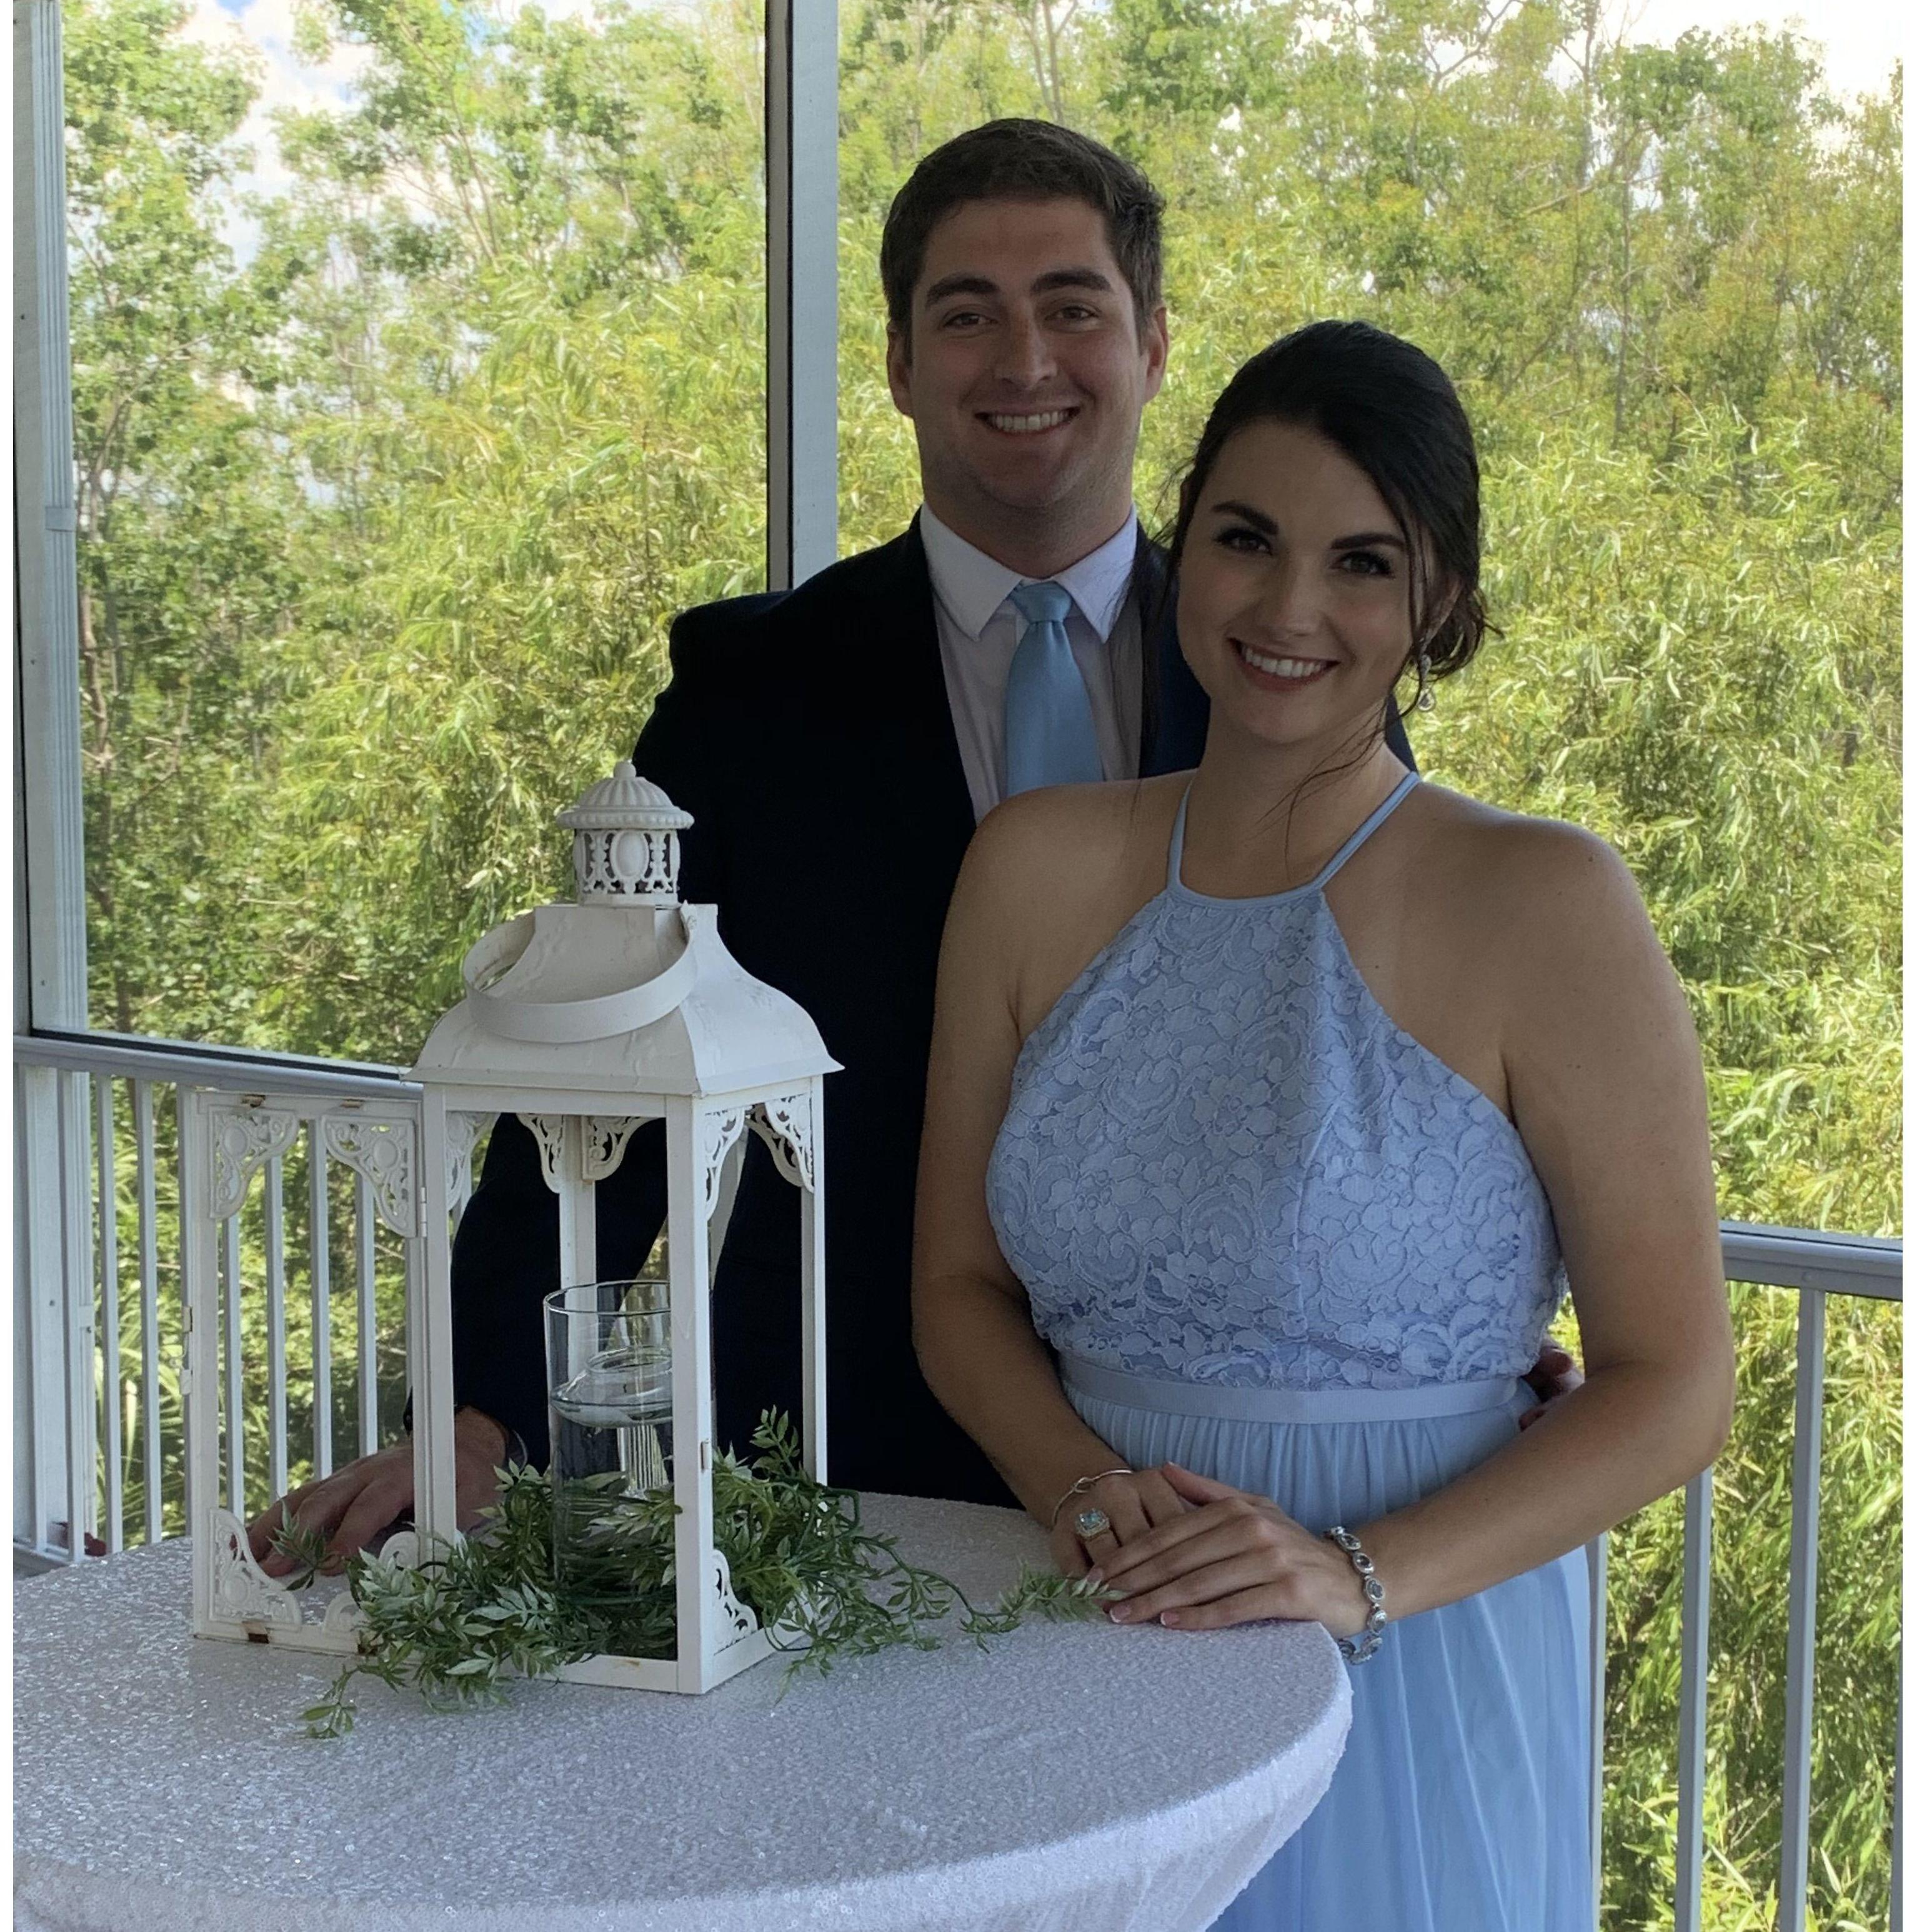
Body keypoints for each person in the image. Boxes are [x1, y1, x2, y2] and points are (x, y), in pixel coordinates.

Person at [249, 123, 1560, 1572]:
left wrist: (1443, 1323)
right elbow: (603, 1065)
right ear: (897, 362)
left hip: (1216, 1499)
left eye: (1072, 306)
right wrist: (482, 1408)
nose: (1025, 359)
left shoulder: (1294, 655)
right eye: (967, 314)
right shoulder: (750, 695)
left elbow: (1398, 1028)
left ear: (1152, 344)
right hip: (850, 1469)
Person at [909, 320, 1734, 1926]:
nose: (1288, 608)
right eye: (1246, 539)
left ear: (1439, 605)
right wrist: (1079, 1491)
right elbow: (954, 1287)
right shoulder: (1025, 868)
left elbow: (1672, 1383)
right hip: (1096, 1620)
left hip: (1410, 1655)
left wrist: (1351, 1577)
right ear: (1183, 545)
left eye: (1362, 563)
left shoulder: (1544, 899)